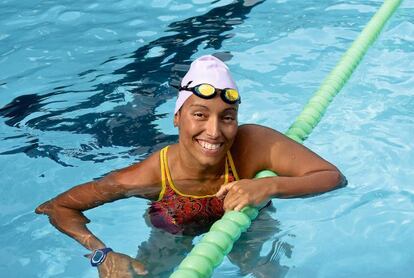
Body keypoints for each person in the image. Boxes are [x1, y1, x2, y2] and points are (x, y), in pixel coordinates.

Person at [35, 55, 346, 277]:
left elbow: (332, 177)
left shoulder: (252, 144)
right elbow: (55, 207)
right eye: (199, 114)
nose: (214, 131)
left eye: (227, 117)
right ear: (176, 118)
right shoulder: (149, 175)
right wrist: (102, 254)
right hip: (174, 228)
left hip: (247, 225)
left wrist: (269, 185)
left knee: (267, 271)